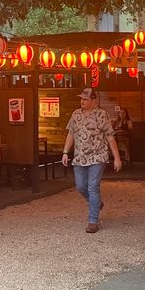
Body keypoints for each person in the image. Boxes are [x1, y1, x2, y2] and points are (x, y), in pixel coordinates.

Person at [61, 88, 122, 233]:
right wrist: (65, 152)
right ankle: (97, 203)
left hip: (98, 156)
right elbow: (71, 134)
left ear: (93, 101)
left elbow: (110, 137)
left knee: (93, 186)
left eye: (86, 99)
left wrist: (117, 158)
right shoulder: (76, 114)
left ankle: (93, 221)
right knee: (80, 186)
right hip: (80, 156)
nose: (82, 101)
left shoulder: (102, 115)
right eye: (81, 99)